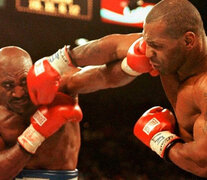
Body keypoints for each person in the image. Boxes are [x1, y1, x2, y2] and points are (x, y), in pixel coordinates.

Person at [26, 0, 207, 178]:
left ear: (189, 41)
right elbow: (112, 47)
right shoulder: (165, 48)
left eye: (157, 47)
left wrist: (161, 140)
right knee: (135, 59)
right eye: (148, 43)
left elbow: (202, 165)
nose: (149, 52)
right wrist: (60, 62)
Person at [0, 46, 83, 180]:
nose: (19, 93)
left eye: (24, 81)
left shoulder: (58, 88)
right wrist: (35, 134)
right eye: (8, 85)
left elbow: (100, 76)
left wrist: (127, 66)